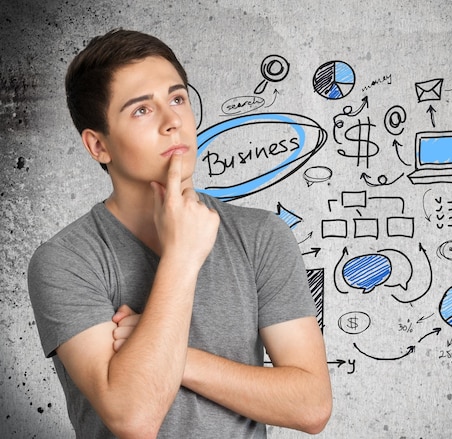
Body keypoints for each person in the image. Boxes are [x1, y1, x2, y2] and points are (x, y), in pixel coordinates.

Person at [27, 28, 332, 438]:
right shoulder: (65, 261)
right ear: (99, 146)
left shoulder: (262, 236)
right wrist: (182, 256)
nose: (173, 122)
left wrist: (179, 359)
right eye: (141, 110)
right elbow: (134, 418)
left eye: (177, 98)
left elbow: (311, 406)